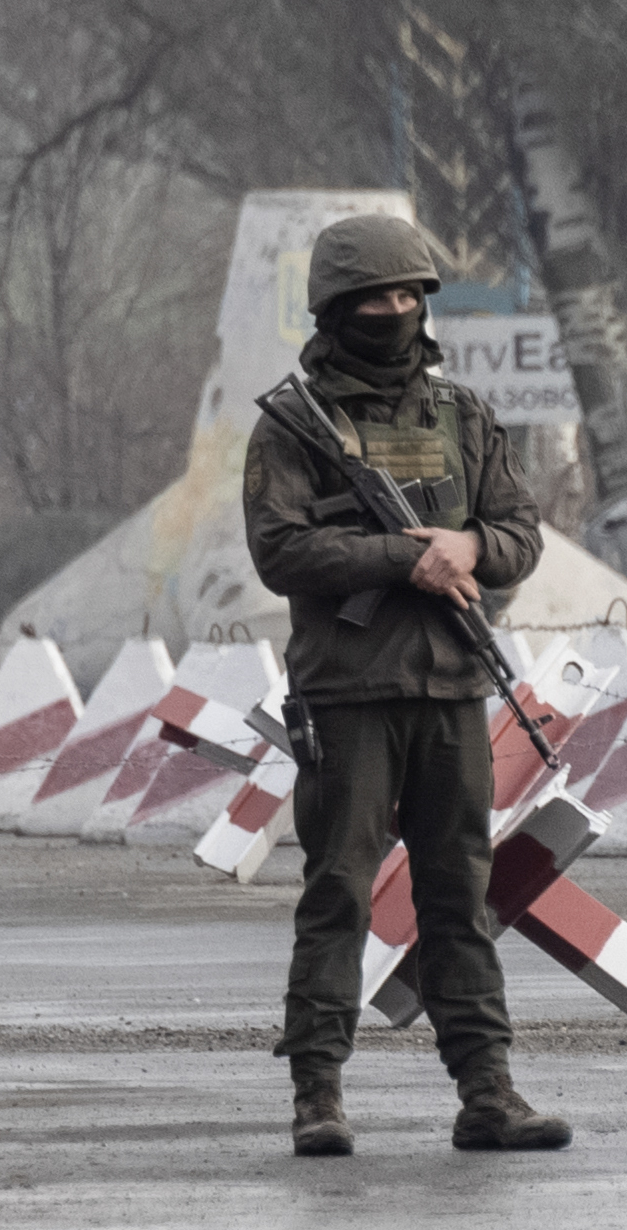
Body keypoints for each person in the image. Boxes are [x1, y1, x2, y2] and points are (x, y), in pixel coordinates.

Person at [241, 212, 571, 1157]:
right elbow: (281, 548)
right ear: (337, 309)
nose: (394, 311)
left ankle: (487, 1091)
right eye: (376, 298)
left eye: (408, 295)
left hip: (451, 690)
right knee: (339, 889)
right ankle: (317, 1093)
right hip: (348, 694)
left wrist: (470, 547)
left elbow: (519, 531)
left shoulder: (462, 416)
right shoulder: (295, 425)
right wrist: (400, 559)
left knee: (458, 897)